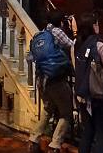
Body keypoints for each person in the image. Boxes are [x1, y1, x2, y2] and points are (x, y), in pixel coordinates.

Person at [28, 10, 74, 153]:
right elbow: (72, 45)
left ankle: (33, 139)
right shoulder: (57, 32)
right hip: (56, 79)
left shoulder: (39, 34)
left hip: (42, 80)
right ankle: (55, 144)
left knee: (48, 109)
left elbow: (30, 57)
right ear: (61, 22)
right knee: (66, 113)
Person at [74, 12, 103, 153]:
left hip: (82, 93)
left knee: (88, 131)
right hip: (98, 95)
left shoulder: (76, 43)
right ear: (93, 26)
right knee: (102, 132)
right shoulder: (98, 44)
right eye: (97, 23)